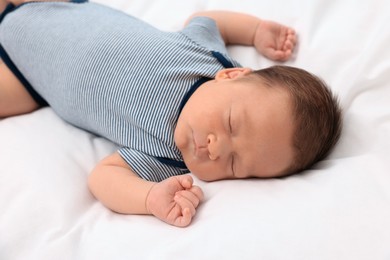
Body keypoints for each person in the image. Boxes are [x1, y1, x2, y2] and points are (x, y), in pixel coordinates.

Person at [0, 0, 342, 227]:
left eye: (236, 165)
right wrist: (254, 30)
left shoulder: (168, 159)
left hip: (28, 79)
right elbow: (207, 20)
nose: (218, 148)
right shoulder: (205, 58)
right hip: (57, 9)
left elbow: (103, 178)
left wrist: (149, 198)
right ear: (233, 75)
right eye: (231, 124)